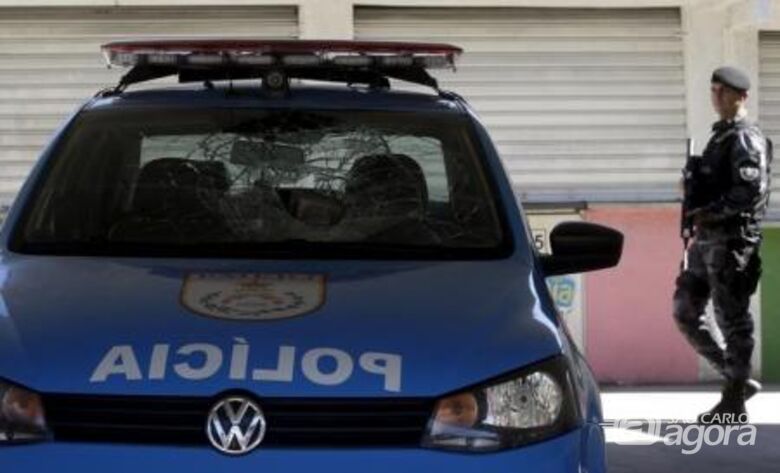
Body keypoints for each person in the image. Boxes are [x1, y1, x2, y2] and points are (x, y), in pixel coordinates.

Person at [673, 66, 772, 424]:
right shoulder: (720, 137)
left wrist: (707, 211)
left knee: (733, 321)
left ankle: (732, 403)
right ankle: (736, 379)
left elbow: (749, 191)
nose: (716, 97)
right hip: (706, 241)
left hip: (731, 240)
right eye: (714, 90)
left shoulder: (745, 138)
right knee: (685, 310)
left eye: (724, 92)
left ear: (741, 96)